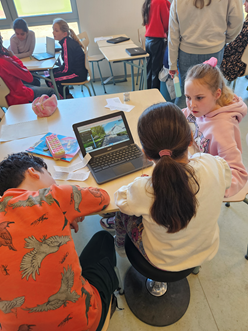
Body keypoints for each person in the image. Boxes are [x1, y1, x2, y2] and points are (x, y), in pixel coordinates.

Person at [102, 102, 231, 271]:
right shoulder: (212, 164)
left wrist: (141, 182)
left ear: (146, 154)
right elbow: (226, 176)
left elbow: (120, 201)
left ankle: (120, 246)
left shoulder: (144, 189)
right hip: (205, 250)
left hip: (161, 260)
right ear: (191, 139)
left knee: (122, 214)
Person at [0, 152, 119, 331]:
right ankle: (106, 304)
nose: (53, 181)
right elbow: (103, 197)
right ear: (33, 172)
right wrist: (65, 203)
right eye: (50, 176)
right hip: (83, 323)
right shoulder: (53, 196)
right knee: (103, 239)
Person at [183, 57, 248, 197]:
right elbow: (183, 114)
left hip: (207, 184)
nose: (191, 105)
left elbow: (239, 174)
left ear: (217, 94)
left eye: (199, 98)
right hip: (196, 163)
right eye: (188, 97)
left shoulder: (223, 129)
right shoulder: (200, 108)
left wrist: (210, 190)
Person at [168, 0, 243, 109]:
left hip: (187, 51)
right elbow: (238, 19)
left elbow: (173, 33)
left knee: (186, 95)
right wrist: (224, 39)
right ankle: (208, 125)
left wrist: (172, 63)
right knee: (212, 95)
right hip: (215, 49)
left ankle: (177, 124)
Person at [0, 35, 55, 106]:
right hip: (17, 97)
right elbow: (29, 78)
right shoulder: (5, 61)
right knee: (51, 91)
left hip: (4, 98)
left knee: (36, 80)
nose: (2, 37)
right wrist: (13, 57)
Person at [46, 18, 88, 98]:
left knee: (49, 79)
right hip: (77, 71)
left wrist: (56, 72)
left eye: (56, 30)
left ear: (64, 34)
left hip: (77, 74)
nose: (53, 32)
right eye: (53, 30)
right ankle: (67, 95)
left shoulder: (67, 45)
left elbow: (66, 69)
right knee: (52, 74)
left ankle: (64, 99)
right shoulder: (67, 41)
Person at [142, 0, 171, 89]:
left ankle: (149, 93)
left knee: (150, 70)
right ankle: (155, 95)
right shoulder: (161, 2)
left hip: (148, 41)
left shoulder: (149, 1)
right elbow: (167, 23)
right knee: (156, 71)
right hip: (157, 41)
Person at [220, 0, 248, 82]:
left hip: (237, 64)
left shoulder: (246, 27)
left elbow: (234, 46)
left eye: (247, 1)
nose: (244, 4)